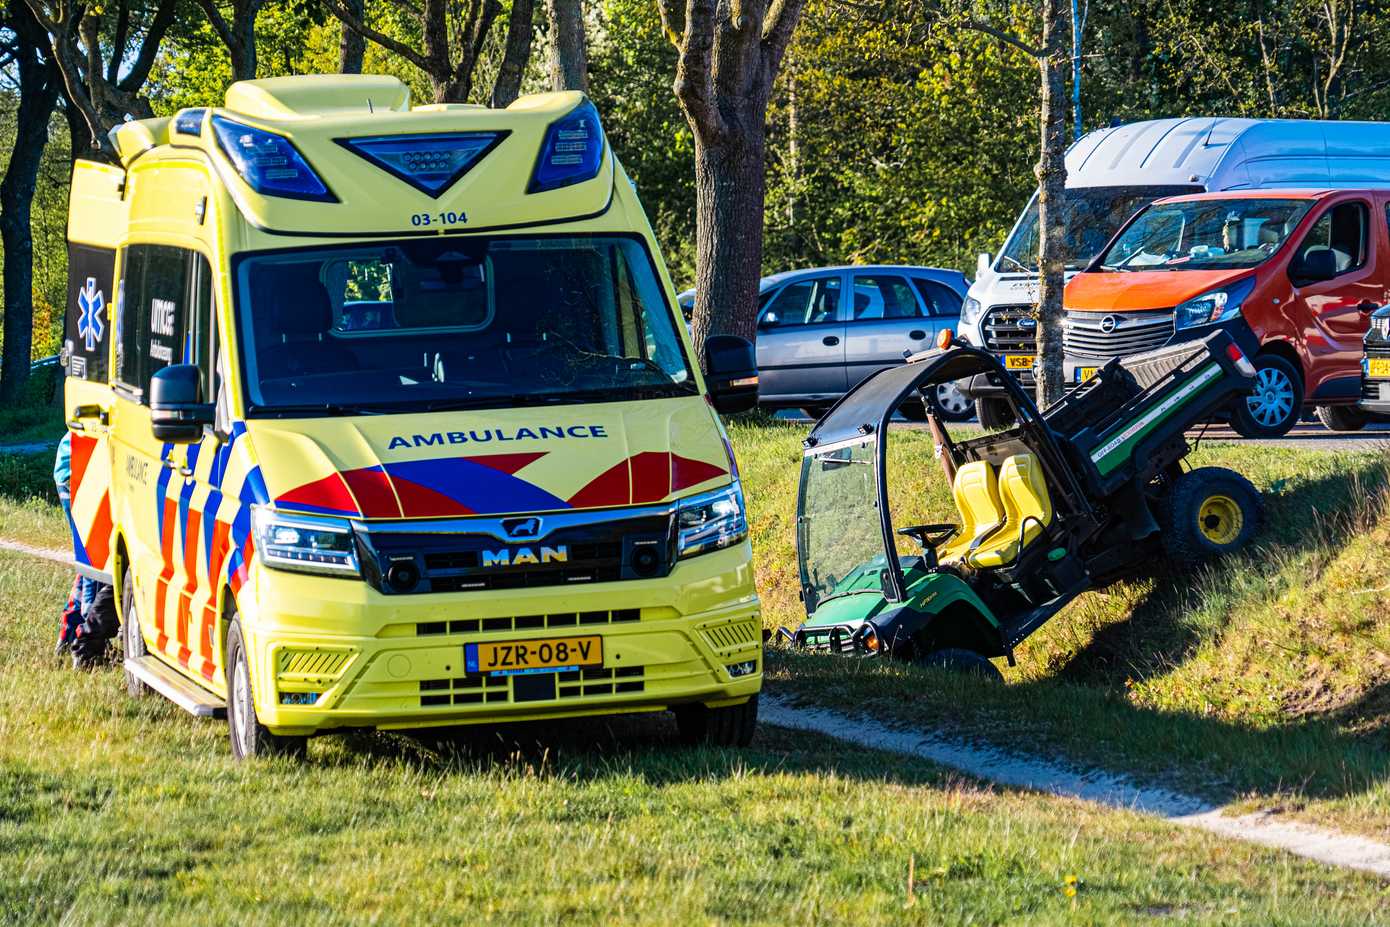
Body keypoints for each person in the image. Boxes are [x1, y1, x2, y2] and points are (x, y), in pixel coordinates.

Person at [53, 432, 119, 669]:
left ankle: (70, 630)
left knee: (88, 561)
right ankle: (87, 643)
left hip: (74, 468)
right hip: (81, 471)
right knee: (94, 562)